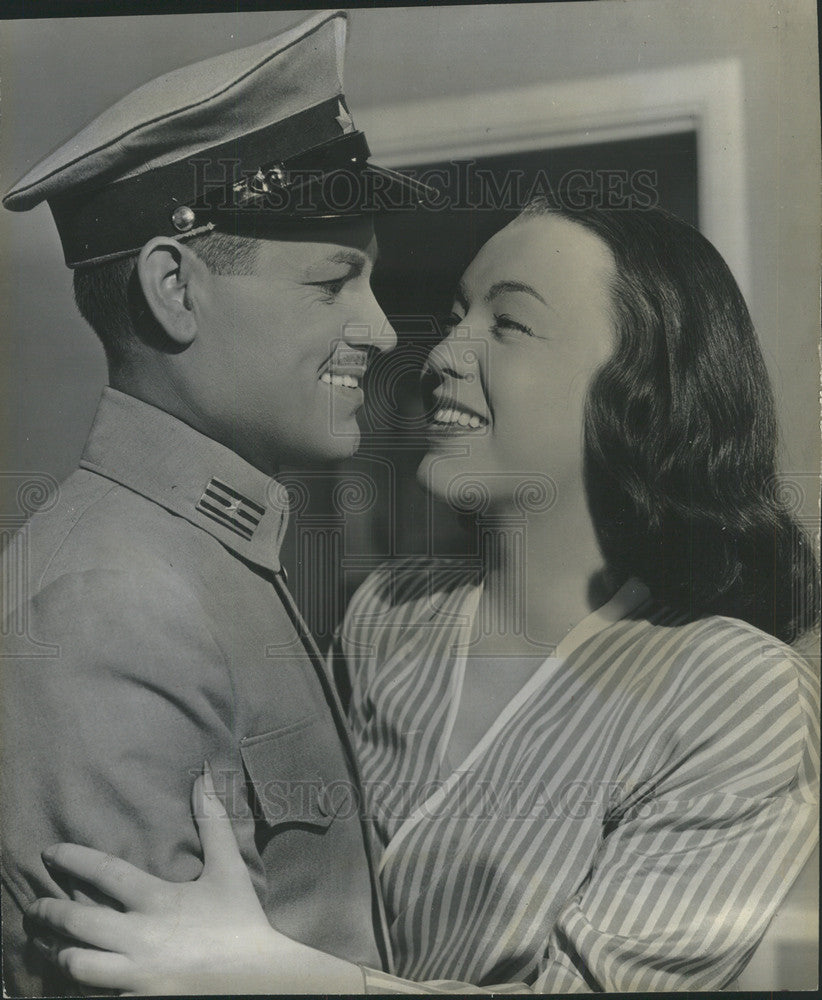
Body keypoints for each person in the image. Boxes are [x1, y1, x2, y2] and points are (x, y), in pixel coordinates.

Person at [25, 203, 819, 993]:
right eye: (454, 316)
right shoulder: (392, 611)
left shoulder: (743, 696)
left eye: (508, 325)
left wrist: (281, 979)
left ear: (644, 389)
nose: (438, 355)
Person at [0, 10, 435, 995]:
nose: (379, 328)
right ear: (173, 288)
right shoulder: (114, 604)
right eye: (335, 282)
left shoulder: (204, 553)